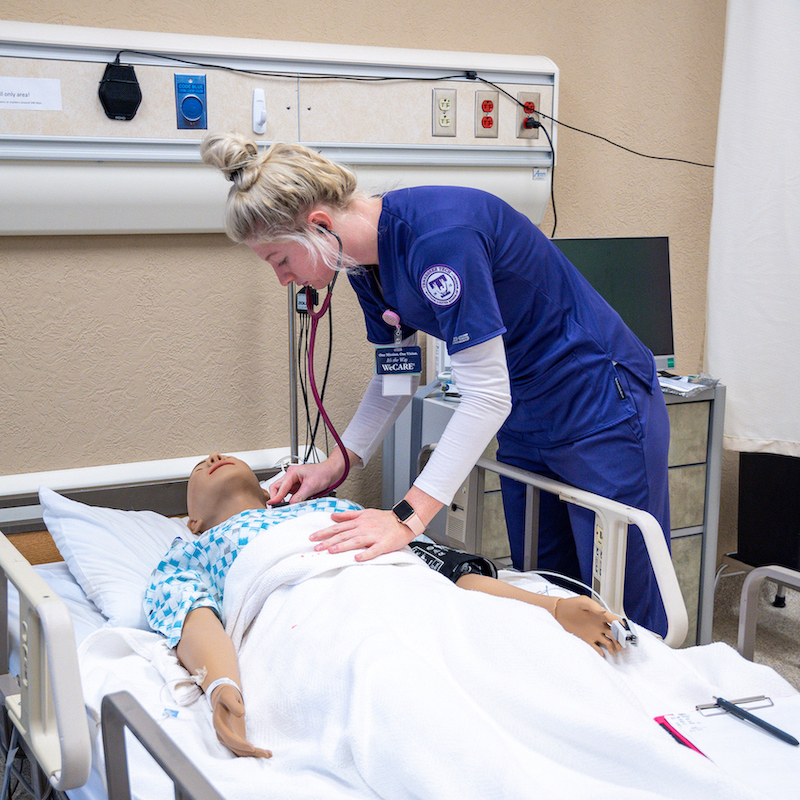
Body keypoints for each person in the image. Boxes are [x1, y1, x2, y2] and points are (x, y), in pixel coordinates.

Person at [199, 133, 672, 636]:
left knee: (624, 611)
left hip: (600, 406)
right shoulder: (363, 265)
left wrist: (406, 517)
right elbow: (395, 380)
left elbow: (486, 395)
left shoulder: (439, 238)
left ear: (318, 227)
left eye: (280, 261)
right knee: (549, 595)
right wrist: (337, 463)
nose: (283, 280)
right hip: (528, 418)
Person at [144, 453, 622, 758]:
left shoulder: (334, 507)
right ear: (193, 521)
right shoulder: (189, 552)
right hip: (312, 613)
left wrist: (550, 609)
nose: (212, 457)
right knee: (398, 689)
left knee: (514, 678)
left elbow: (443, 571)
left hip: (405, 592)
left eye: (222, 455)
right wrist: (222, 682)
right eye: (197, 470)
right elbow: (196, 620)